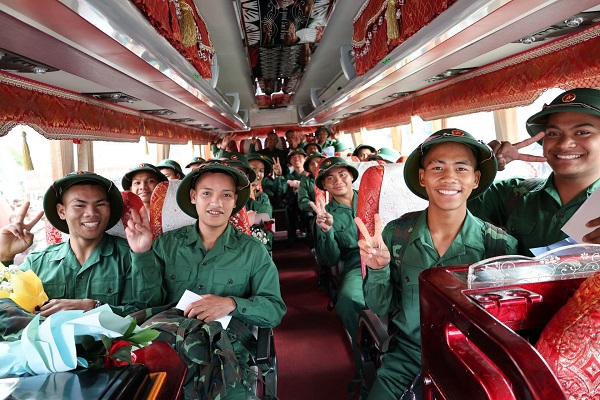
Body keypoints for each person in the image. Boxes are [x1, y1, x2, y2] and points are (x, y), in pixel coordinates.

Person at [357, 129, 518, 399]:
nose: (449, 177)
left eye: (461, 168)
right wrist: (378, 268)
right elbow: (381, 307)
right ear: (422, 177)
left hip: (472, 363)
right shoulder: (396, 235)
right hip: (409, 357)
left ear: (476, 179)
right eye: (437, 167)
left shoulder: (500, 246)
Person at [125, 160, 286, 399]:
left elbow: (273, 309)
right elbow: (147, 304)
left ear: (235, 201)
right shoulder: (166, 245)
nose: (216, 203)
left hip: (225, 354)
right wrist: (142, 255)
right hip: (168, 346)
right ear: (193, 197)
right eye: (207, 193)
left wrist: (231, 303)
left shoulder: (253, 251)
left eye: (226, 195)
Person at [0, 172, 158, 318]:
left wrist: (96, 307)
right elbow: (6, 311)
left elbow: (150, 311)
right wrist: (5, 256)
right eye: (80, 205)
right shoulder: (37, 263)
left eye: (100, 204)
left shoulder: (133, 256)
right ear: (62, 211)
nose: (91, 213)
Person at [468, 88, 600, 255]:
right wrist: (484, 164)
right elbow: (447, 204)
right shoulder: (514, 192)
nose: (564, 144)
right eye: (553, 133)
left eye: (582, 132)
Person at [309, 157, 366, 369]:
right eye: (330, 178)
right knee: (348, 299)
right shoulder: (326, 214)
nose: (338, 181)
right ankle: (363, 355)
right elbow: (330, 259)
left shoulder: (373, 199)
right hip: (357, 262)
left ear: (351, 176)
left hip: (390, 256)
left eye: (342, 174)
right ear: (324, 185)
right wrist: (326, 230)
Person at [274, 149, 307, 246]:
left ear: (305, 159)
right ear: (290, 161)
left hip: (307, 203)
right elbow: (280, 191)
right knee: (289, 208)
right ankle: (291, 236)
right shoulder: (288, 176)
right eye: (293, 157)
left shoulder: (309, 175)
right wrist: (279, 176)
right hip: (293, 203)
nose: (297, 159)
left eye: (299, 156)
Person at [247, 153, 276, 251]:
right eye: (253, 169)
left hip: (261, 242)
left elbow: (265, 218)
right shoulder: (235, 194)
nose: (258, 174)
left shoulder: (263, 197)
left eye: (261, 171)